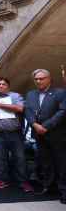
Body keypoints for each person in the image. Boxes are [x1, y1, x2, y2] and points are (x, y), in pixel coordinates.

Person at [0, 77, 33, 192]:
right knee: (0, 158)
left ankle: (23, 182)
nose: (1, 86)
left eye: (3, 84)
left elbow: (20, 108)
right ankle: (2, 180)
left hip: (15, 133)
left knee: (19, 158)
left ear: (8, 86)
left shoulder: (15, 96)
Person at [24, 69, 66, 204]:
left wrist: (46, 126)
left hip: (56, 134)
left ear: (49, 79)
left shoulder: (60, 92)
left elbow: (62, 111)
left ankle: (64, 190)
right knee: (46, 162)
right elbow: (28, 111)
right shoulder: (31, 94)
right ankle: (49, 187)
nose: (38, 81)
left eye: (42, 78)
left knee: (61, 163)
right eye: (36, 79)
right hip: (39, 134)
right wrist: (34, 125)